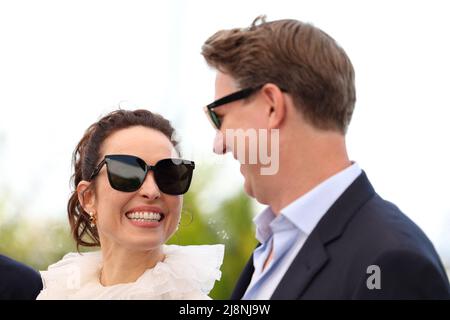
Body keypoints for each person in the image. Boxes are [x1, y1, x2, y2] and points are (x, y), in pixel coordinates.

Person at [201, 16, 450, 299]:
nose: (218, 145)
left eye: (219, 117)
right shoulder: (273, 247)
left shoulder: (391, 262)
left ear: (271, 105)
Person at [37, 109, 224, 299]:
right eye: (127, 172)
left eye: (169, 174)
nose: (151, 191)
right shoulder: (59, 293)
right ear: (88, 197)